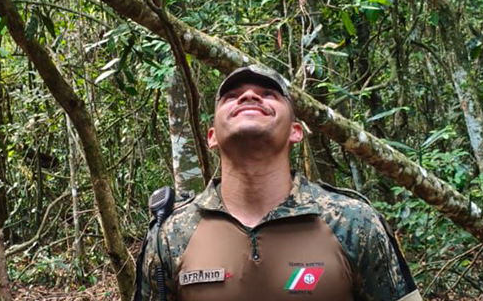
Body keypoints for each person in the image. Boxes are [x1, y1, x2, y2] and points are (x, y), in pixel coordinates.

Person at [136, 66, 421, 300]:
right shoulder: (171, 233)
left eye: (268, 94)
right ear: (211, 137)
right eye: (232, 96)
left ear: (296, 132)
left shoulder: (352, 222)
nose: (249, 96)